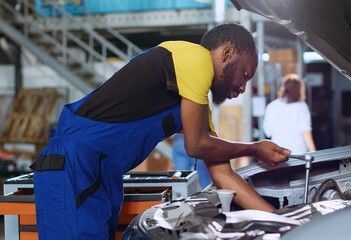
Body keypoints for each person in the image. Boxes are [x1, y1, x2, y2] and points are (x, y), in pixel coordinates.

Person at [29, 23, 290, 239]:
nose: (243, 87)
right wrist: (255, 148)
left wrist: (284, 224)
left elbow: (223, 174)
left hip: (100, 172)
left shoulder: (196, 102)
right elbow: (196, 146)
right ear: (227, 52)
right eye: (245, 74)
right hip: (73, 163)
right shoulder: (196, 58)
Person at [263, 73, 316, 154]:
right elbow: (305, 131)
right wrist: (314, 152)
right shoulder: (301, 107)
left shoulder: (272, 106)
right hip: (298, 154)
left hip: (278, 153)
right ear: (299, 89)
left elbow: (268, 131)